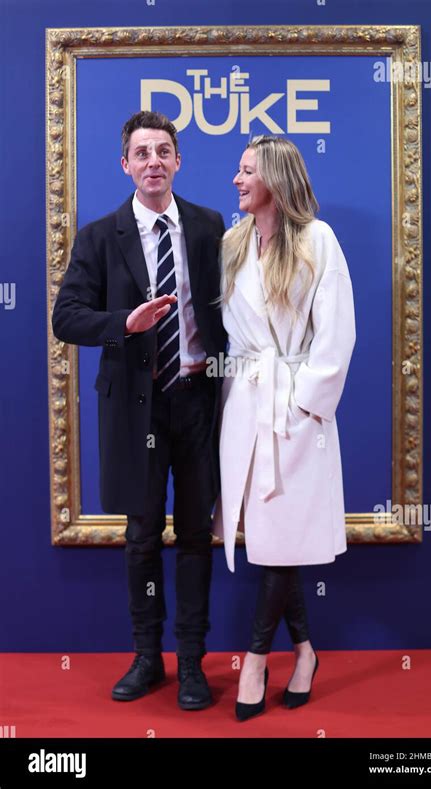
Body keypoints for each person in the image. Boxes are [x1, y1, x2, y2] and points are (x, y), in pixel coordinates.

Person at [52, 111, 226, 711]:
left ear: (179, 161)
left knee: (199, 537)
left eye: (164, 151)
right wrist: (121, 324)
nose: (154, 161)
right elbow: (65, 317)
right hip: (137, 409)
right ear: (124, 164)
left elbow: (229, 315)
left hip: (199, 401)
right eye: (142, 152)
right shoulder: (100, 236)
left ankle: (193, 664)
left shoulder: (209, 227)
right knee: (142, 538)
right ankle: (148, 658)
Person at [213, 135, 356, 721]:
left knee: (280, 544)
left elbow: (337, 333)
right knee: (272, 540)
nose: (237, 180)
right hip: (245, 404)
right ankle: (304, 652)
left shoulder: (317, 241)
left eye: (247, 171)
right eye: (239, 170)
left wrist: (303, 404)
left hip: (297, 412)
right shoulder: (232, 243)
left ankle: (253, 658)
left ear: (276, 178)